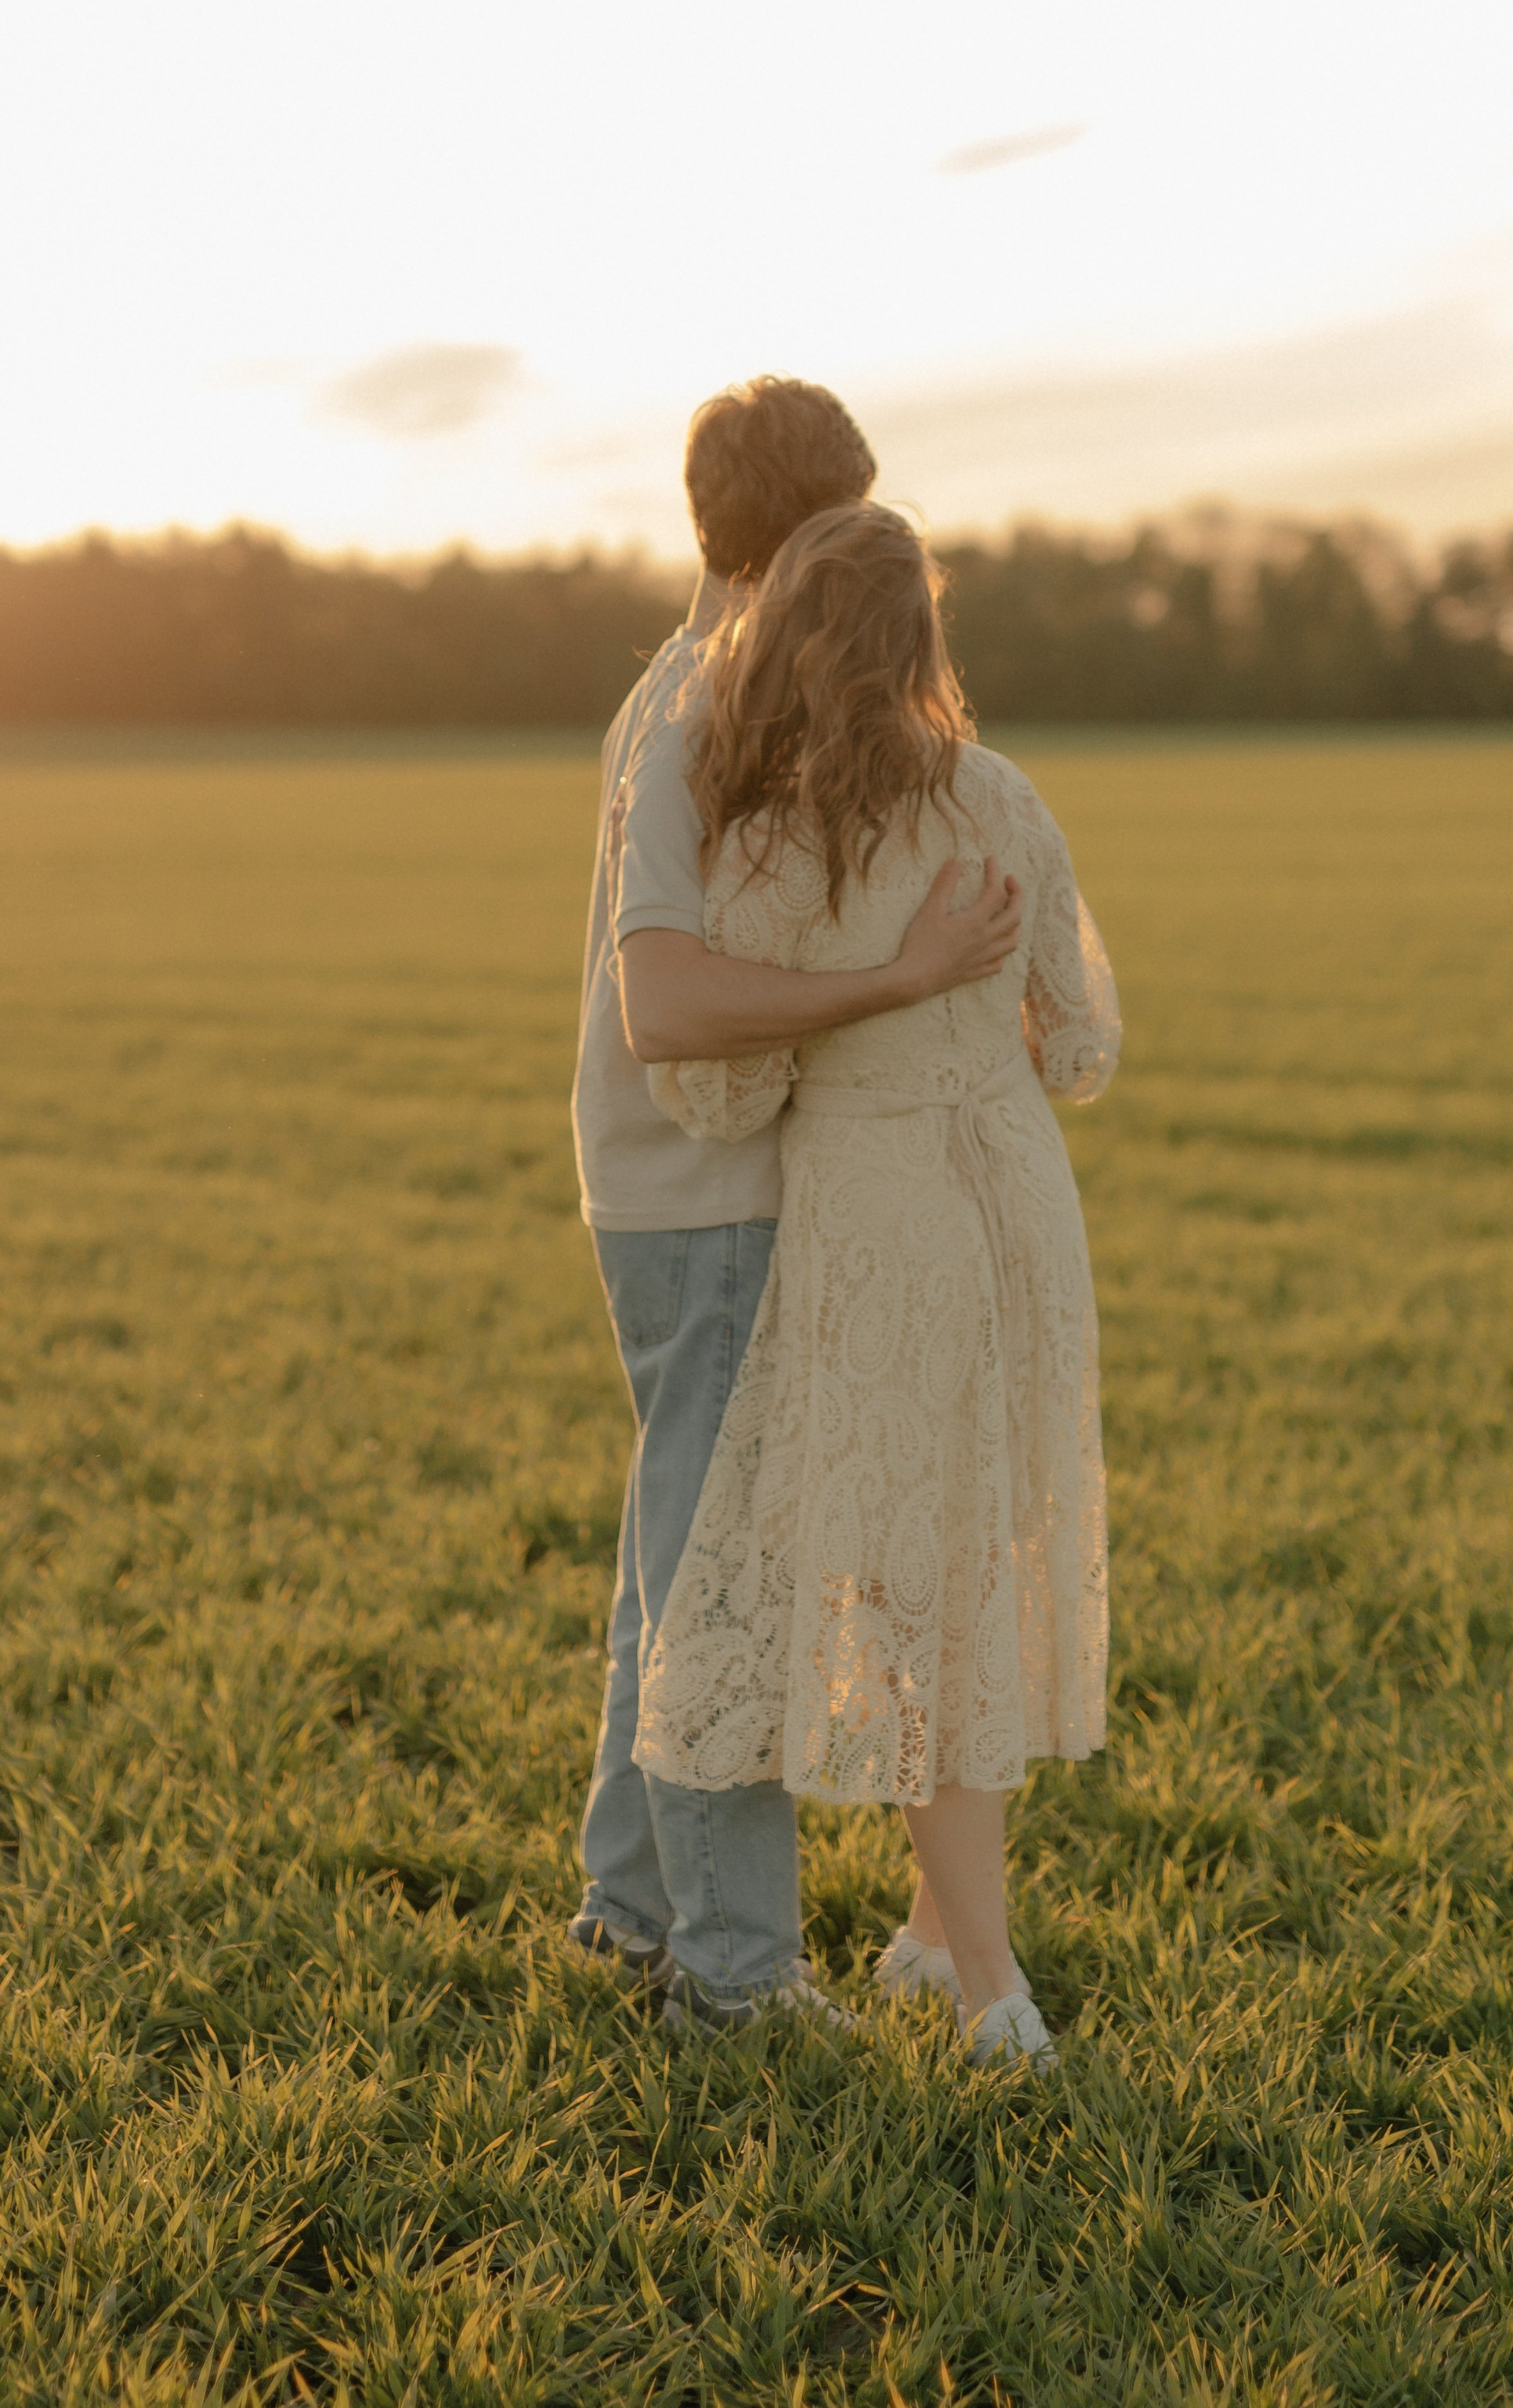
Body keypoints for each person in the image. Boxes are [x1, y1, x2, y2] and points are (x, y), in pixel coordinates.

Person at [632, 499, 1120, 2069]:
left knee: (912, 1598)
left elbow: (713, 1096)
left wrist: (848, 1035)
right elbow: (1088, 1041)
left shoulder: (775, 836)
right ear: (923, 640)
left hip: (886, 1215)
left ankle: (989, 1990)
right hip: (1015, 1204)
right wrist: (976, 1040)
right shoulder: (1003, 799)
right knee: (974, 1552)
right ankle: (927, 1933)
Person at [569, 378, 1027, 2028]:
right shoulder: (700, 706)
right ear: (816, 529)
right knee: (719, 1601)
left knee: (668, 1564)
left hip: (668, 1195)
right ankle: (735, 1981)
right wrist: (896, 981)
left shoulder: (684, 684)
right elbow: (667, 1006)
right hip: (700, 1197)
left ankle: (625, 1917)